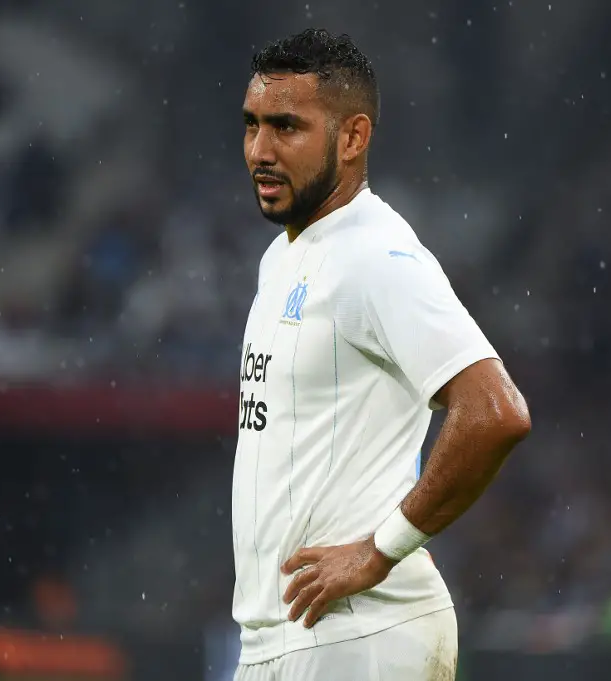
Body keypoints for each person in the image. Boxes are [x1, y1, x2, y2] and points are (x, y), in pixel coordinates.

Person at [232, 28, 531, 681]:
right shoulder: (282, 258)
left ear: (353, 137)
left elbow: (495, 410)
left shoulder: (375, 255)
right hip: (285, 639)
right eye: (252, 125)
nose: (260, 150)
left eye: (286, 127)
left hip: (356, 634)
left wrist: (379, 549)